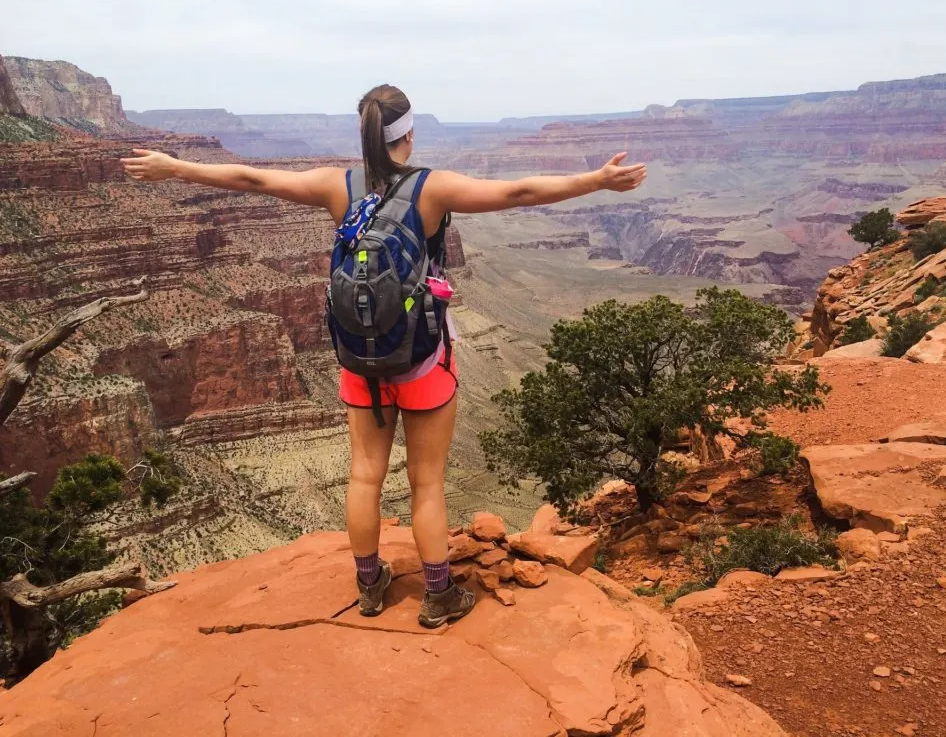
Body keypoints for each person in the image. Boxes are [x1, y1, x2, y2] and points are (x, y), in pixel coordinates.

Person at [121, 84, 646, 627]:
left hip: (358, 365)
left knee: (364, 476)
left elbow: (253, 179)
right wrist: (596, 181)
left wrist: (174, 167)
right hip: (421, 361)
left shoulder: (336, 185)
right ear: (409, 134)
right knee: (426, 483)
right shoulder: (431, 190)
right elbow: (516, 193)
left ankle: (370, 585)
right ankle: (438, 596)